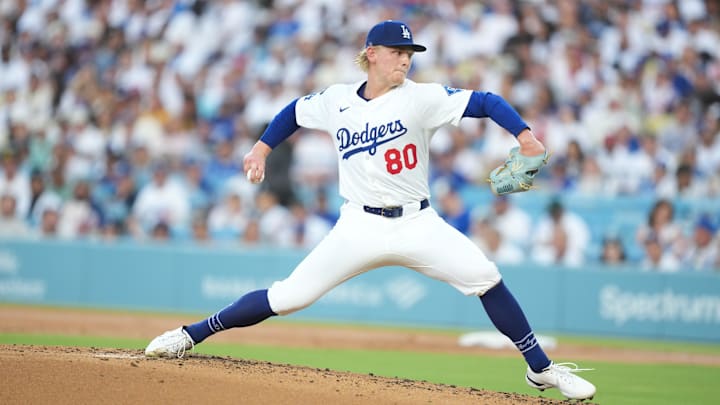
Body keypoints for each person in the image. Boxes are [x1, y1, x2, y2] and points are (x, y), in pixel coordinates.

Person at [144, 21, 596, 400]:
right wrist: (260, 149)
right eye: (398, 51)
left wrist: (525, 136)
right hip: (358, 224)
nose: (406, 59)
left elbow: (486, 101)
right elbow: (293, 113)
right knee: (289, 297)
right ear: (372, 53)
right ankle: (190, 334)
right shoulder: (337, 99)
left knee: (486, 277)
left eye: (410, 53)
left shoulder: (421, 97)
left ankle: (540, 367)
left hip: (418, 222)